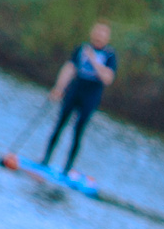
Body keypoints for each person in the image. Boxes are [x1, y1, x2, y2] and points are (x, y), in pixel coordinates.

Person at [41, 22, 116, 175]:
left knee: (78, 130)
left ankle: (67, 168)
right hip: (75, 90)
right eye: (97, 33)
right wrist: (59, 88)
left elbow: (107, 78)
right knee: (59, 124)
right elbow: (70, 68)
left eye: (102, 34)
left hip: (91, 96)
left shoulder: (110, 55)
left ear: (107, 37)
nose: (98, 37)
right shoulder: (82, 48)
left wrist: (94, 60)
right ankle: (45, 159)